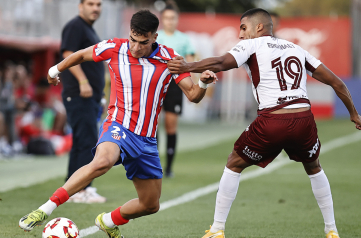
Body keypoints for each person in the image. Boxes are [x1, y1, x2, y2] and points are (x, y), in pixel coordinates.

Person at [167, 8, 361, 238]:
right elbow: (337, 82)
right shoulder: (296, 49)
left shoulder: (253, 44)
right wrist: (354, 113)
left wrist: (187, 67)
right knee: (314, 167)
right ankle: (331, 230)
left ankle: (217, 229)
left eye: (243, 28)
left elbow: (222, 62)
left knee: (234, 163)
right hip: (304, 120)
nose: (240, 35)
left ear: (258, 27)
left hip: (273, 119)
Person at [19, 9, 217, 238]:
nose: (135, 47)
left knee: (151, 204)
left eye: (142, 43)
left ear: (154, 38)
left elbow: (192, 95)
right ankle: (45, 210)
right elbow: (81, 54)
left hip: (147, 140)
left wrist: (202, 84)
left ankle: (108, 220)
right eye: (132, 39)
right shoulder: (115, 47)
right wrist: (55, 70)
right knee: (102, 162)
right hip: (118, 125)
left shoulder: (170, 59)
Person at [60, 0, 106, 203]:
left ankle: (71, 189)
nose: (95, 8)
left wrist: (100, 95)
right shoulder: (75, 26)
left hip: (89, 96)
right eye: (91, 3)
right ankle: (81, 189)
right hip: (80, 93)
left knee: (81, 143)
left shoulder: (88, 29)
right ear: (80, 6)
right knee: (87, 142)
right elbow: (68, 54)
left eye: (98, 4)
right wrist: (83, 81)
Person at [157, 3, 196, 177]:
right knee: (152, 125)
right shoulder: (155, 38)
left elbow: (190, 62)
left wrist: (191, 86)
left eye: (172, 18)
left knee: (171, 126)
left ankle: (169, 168)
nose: (169, 21)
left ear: (177, 19)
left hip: (175, 85)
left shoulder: (184, 39)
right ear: (162, 19)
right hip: (156, 84)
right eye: (166, 18)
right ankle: (153, 165)